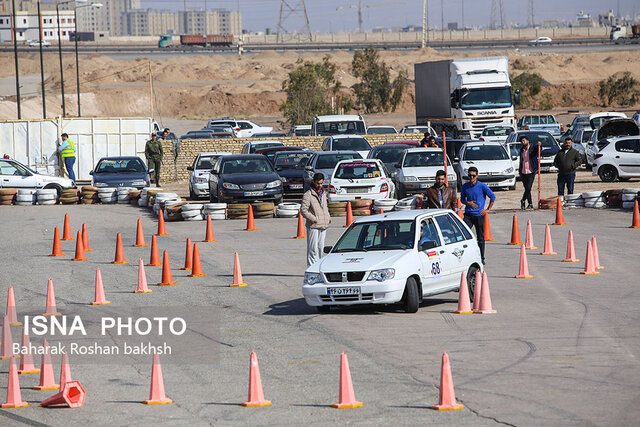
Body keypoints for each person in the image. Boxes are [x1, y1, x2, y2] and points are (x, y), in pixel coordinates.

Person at [460, 166, 495, 264]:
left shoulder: (482, 186)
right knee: (463, 234)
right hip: (468, 214)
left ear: (477, 176)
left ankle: (481, 257)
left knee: (480, 237)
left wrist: (487, 209)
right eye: (469, 175)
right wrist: (468, 203)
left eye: (473, 176)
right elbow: (462, 199)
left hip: (479, 215)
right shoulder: (465, 186)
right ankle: (466, 256)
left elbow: (492, 196)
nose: (471, 177)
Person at [300, 172, 331, 267]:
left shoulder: (324, 193)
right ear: (314, 182)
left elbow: (325, 207)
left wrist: (328, 217)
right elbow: (303, 210)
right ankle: (311, 268)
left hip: (324, 224)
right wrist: (314, 219)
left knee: (320, 248)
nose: (320, 185)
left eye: (321, 183)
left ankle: (318, 267)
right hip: (313, 225)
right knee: (313, 249)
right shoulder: (308, 195)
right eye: (318, 183)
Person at [518, 136, 541, 210]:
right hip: (523, 171)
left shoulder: (532, 148)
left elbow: (539, 149)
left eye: (524, 141)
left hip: (531, 170)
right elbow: (521, 161)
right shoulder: (522, 150)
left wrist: (539, 145)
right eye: (522, 141)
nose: (523, 142)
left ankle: (523, 200)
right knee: (527, 188)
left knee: (528, 187)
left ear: (527, 141)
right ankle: (530, 203)